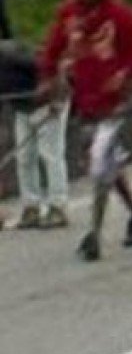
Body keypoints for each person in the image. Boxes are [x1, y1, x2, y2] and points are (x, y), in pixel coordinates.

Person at [37, 0, 132, 262]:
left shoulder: (119, 15)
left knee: (100, 162)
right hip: (84, 102)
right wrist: (47, 78)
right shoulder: (68, 15)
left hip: (114, 104)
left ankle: (94, 234)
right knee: (109, 164)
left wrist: (124, 74)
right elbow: (52, 49)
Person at [2, 35, 66, 231]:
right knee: (24, 158)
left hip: (47, 103)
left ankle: (57, 207)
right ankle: (31, 207)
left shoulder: (10, 53)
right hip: (23, 110)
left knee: (50, 155)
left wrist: (55, 97)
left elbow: (50, 65)